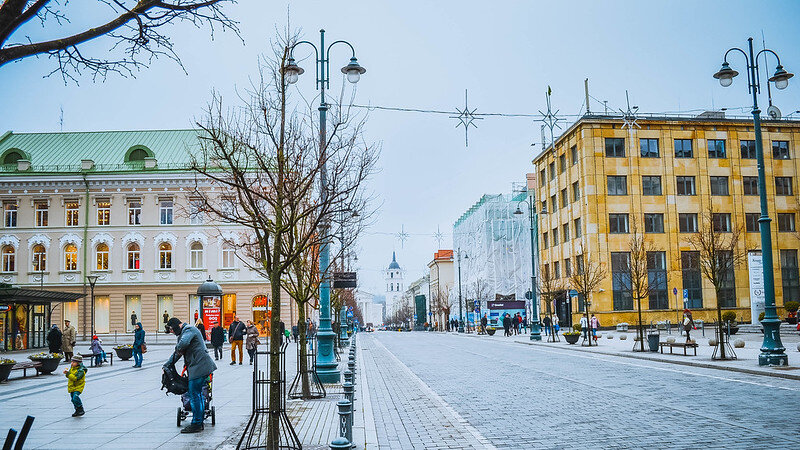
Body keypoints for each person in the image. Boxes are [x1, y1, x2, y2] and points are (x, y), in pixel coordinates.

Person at [164, 317, 217, 434]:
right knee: (197, 394)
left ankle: (197, 423)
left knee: (194, 394)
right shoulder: (184, 333)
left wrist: (177, 348)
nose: (172, 332)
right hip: (198, 367)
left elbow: (183, 344)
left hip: (200, 367)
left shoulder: (189, 330)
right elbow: (178, 353)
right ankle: (199, 421)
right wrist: (167, 365)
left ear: (177, 325)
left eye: (172, 329)